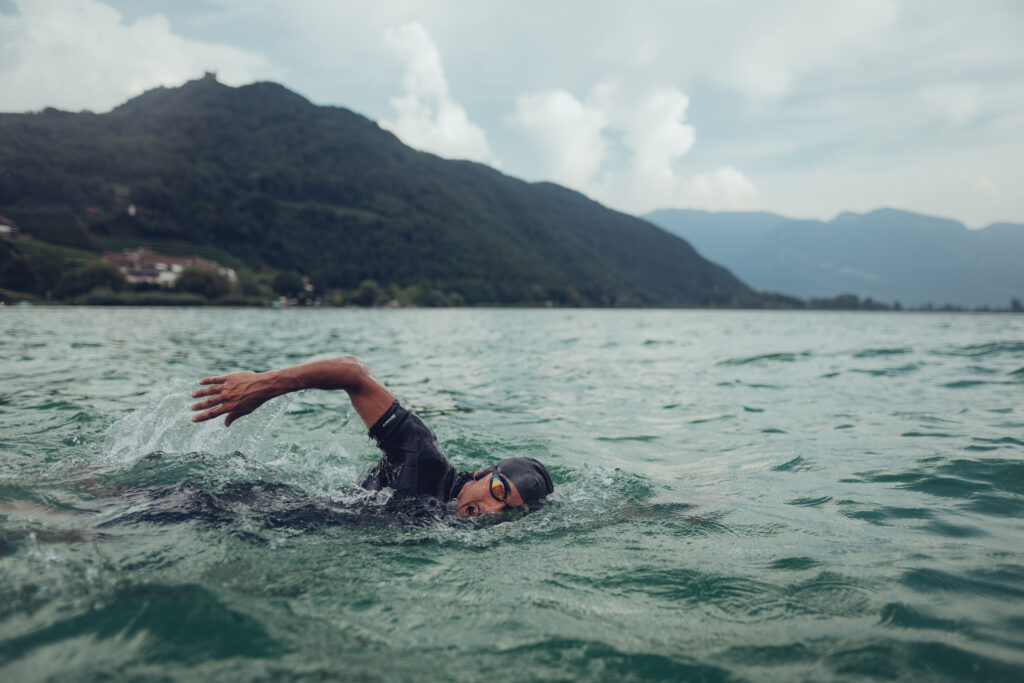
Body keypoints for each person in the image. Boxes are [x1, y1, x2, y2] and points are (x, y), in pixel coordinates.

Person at [190, 355, 554, 516]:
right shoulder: (424, 458)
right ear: (481, 474)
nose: (492, 510)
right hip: (237, 505)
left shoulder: (452, 519)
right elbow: (353, 372)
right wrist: (265, 385)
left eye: (508, 512)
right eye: (498, 491)